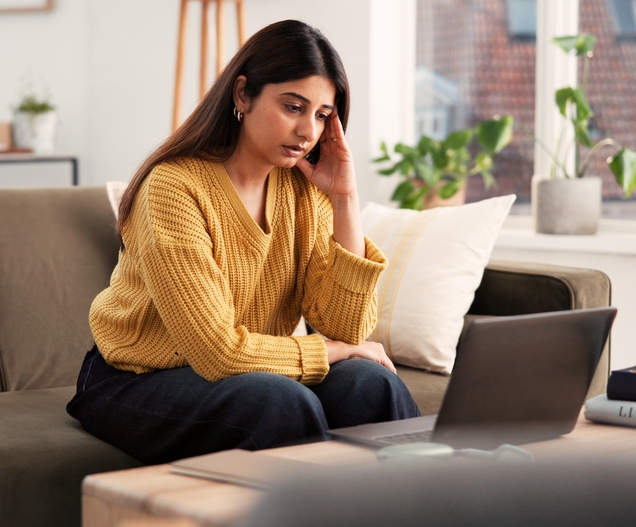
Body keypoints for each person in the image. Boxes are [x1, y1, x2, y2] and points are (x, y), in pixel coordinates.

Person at [66, 19, 419, 465]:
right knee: (280, 402)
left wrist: (344, 199)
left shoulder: (304, 190)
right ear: (242, 95)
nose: (308, 130)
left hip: (250, 373)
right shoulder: (174, 188)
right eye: (293, 107)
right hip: (133, 378)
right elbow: (218, 353)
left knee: (373, 384)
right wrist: (335, 352)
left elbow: (347, 328)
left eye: (323, 115)